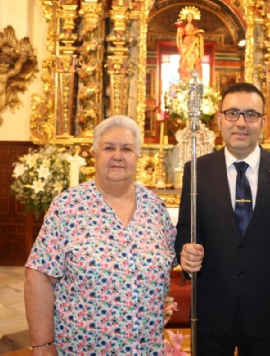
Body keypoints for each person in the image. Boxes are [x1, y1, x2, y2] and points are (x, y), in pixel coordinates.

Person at [24, 115, 176, 354]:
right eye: (108, 148)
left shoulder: (155, 207)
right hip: (84, 348)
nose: (118, 155)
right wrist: (43, 345)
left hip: (146, 348)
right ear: (95, 155)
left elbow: (173, 261)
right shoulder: (68, 206)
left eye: (126, 148)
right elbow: (39, 276)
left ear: (138, 156)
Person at [176, 82, 270, 356]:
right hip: (211, 312)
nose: (241, 123)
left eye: (250, 114)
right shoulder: (196, 170)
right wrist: (185, 253)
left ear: (263, 121)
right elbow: (187, 229)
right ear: (219, 119)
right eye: (232, 113)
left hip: (267, 313)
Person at [0, 48, 27, 125]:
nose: (3, 69)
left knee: (1, 104)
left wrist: (20, 61)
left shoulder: (6, 75)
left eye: (6, 68)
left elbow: (15, 70)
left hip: (2, 93)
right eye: (1, 67)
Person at [176, 8, 204, 80]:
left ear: (193, 18)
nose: (189, 18)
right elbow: (180, 36)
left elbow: (198, 34)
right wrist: (179, 32)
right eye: (188, 17)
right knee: (185, 57)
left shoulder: (195, 27)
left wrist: (199, 36)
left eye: (191, 17)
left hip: (194, 43)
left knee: (194, 56)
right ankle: (186, 72)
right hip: (186, 42)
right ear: (186, 18)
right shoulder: (183, 27)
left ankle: (192, 71)